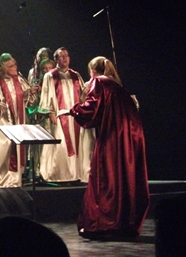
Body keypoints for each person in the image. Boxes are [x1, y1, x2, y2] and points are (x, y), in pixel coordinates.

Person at [62, 56, 149, 239]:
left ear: (93, 71)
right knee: (125, 176)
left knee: (107, 176)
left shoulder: (98, 82)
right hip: (131, 136)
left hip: (113, 137)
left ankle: (104, 224)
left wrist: (72, 110)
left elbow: (92, 108)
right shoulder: (118, 87)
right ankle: (125, 223)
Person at [38, 47, 94, 183]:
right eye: (61, 56)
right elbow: (47, 95)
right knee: (61, 145)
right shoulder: (50, 75)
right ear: (56, 59)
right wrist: (50, 112)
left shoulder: (75, 75)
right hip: (59, 114)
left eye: (66, 56)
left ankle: (76, 173)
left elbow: (82, 94)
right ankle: (60, 174)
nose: (65, 58)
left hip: (75, 115)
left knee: (77, 144)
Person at [0, 53, 38, 188]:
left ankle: (12, 180)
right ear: (3, 68)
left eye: (15, 64)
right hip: (1, 120)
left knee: (14, 147)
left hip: (16, 119)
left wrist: (29, 93)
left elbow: (23, 99)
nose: (15, 67)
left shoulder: (19, 79)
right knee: (0, 149)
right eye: (11, 66)